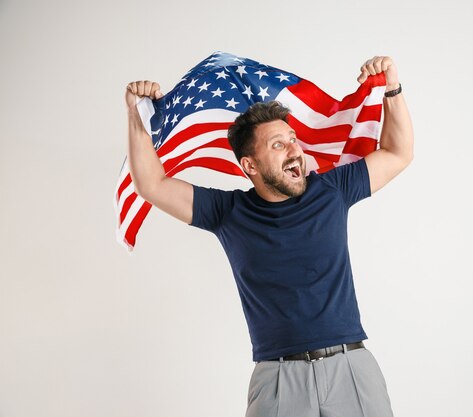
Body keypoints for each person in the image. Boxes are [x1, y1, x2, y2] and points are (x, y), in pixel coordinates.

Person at [125, 55, 413, 417]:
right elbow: (152, 184)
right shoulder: (228, 212)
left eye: (293, 140)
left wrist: (392, 89)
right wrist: (136, 113)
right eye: (278, 145)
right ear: (250, 166)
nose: (295, 150)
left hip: (350, 367)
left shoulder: (331, 189)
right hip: (277, 378)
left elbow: (397, 153)